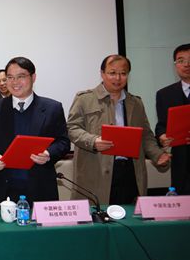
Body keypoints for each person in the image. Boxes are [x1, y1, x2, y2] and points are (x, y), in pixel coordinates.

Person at [68, 55, 170, 205]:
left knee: (130, 216)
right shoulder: (85, 99)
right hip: (97, 171)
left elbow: (146, 136)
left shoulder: (136, 103)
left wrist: (158, 155)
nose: (118, 78)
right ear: (102, 73)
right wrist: (93, 141)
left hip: (130, 171)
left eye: (123, 73)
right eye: (112, 73)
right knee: (98, 216)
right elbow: (72, 128)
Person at [0, 57, 70, 210]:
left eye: (21, 76)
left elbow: (63, 142)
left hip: (40, 188)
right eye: (10, 77)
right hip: (2, 188)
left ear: (33, 77)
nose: (15, 82)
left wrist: (48, 154)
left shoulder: (52, 108)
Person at [156, 44, 190, 194]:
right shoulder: (164, 94)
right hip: (180, 163)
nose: (186, 64)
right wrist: (162, 136)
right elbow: (161, 125)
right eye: (181, 61)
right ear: (175, 65)